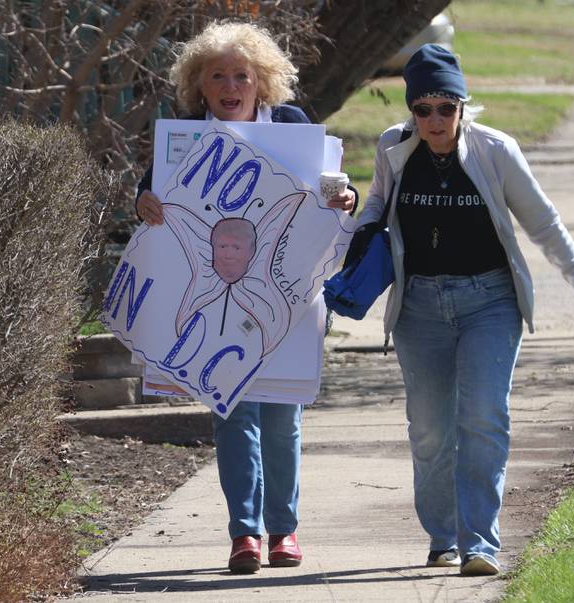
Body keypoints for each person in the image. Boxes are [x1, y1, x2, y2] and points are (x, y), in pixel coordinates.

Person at [351, 44, 574, 576]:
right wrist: (362, 233)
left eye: (446, 108)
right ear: (410, 111)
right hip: (419, 305)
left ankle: (480, 544)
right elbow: (377, 202)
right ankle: (442, 536)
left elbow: (544, 224)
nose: (435, 120)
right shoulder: (394, 149)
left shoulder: (496, 151)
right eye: (422, 109)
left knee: (483, 417)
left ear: (463, 105)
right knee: (428, 428)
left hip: (489, 301)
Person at [135, 21, 356, 574]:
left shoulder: (292, 125)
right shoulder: (183, 137)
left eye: (242, 75)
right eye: (218, 77)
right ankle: (245, 535)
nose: (231, 86)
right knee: (233, 416)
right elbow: (151, 195)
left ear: (263, 82)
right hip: (211, 305)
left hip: (285, 299)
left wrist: (343, 195)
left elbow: (328, 186)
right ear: (199, 85)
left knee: (283, 418)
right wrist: (145, 202)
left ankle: (284, 529)